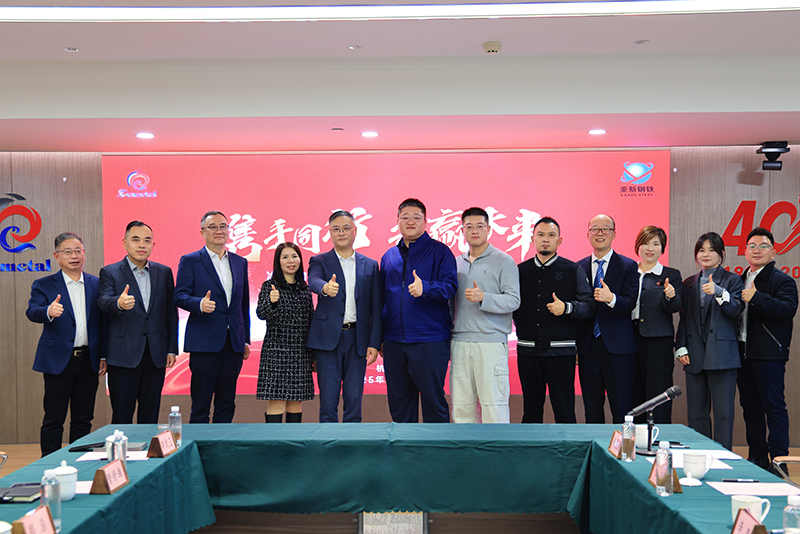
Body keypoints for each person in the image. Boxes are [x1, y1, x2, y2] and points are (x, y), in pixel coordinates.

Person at [25, 232, 106, 456]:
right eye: (68, 252)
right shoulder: (44, 284)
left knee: (83, 417)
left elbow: (104, 323)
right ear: (56, 256)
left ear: (84, 254)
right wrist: (48, 311)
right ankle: (49, 462)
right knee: (54, 417)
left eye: (78, 251)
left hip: (88, 360)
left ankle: (78, 460)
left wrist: (103, 355)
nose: (74, 256)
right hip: (58, 361)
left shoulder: (96, 283)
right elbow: (32, 311)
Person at [380, 198, 458, 423]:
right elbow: (382, 299)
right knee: (400, 405)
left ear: (426, 221)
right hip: (394, 342)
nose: (410, 221)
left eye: (416, 217)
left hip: (429, 340)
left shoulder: (440, 252)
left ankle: (438, 446)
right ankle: (404, 447)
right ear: (398, 221)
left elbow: (450, 286)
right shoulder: (389, 256)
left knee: (434, 402)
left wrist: (426, 288)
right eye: (405, 217)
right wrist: (380, 338)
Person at [515, 217, 594, 423]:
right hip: (528, 351)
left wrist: (567, 308)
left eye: (551, 235)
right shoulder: (519, 271)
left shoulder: (573, 270)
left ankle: (568, 445)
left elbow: (589, 306)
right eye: (540, 235)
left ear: (559, 240)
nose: (545, 239)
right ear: (532, 239)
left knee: (564, 411)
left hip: (561, 352)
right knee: (531, 412)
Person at [98, 221, 178, 424]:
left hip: (155, 354)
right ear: (125, 243)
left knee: (150, 415)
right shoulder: (110, 271)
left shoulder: (164, 272)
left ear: (153, 245)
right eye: (136, 240)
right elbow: (102, 301)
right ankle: (122, 446)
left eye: (147, 240)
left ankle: (147, 446)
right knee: (122, 415)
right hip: (123, 355)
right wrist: (118, 302)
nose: (142, 245)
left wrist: (171, 349)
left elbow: (170, 313)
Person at [174, 211, 250, 424]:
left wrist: (245, 338)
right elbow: (179, 296)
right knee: (201, 404)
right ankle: (199, 443)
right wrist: (199, 304)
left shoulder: (239, 262)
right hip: (204, 344)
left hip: (233, 344)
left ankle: (221, 443)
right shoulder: (190, 261)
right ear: (202, 232)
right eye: (213, 227)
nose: (219, 231)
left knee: (227, 403)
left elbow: (243, 304)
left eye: (223, 226)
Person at [306, 211, 383, 423]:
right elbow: (313, 280)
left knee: (354, 397)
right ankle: (328, 440)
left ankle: (353, 438)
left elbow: (376, 307)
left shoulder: (370, 265)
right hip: (327, 339)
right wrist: (324, 288)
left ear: (355, 231)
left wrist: (374, 343)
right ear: (330, 233)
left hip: (357, 338)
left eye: (346, 228)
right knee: (328, 400)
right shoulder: (319, 260)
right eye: (336, 229)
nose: (341, 233)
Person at [675, 231, 743, 450]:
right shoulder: (688, 283)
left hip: (722, 357)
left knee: (723, 415)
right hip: (694, 356)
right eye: (701, 250)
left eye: (711, 250)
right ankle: (699, 456)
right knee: (696, 415)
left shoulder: (733, 280)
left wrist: (719, 292)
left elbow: (736, 309)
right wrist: (680, 346)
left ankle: (722, 458)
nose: (706, 254)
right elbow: (684, 318)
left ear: (721, 253)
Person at [451, 207, 520, 423]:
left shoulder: (504, 260)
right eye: (469, 227)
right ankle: (464, 446)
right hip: (459, 342)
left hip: (490, 343)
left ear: (489, 229)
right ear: (462, 230)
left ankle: (497, 447)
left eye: (480, 226)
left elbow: (514, 300)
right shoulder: (455, 263)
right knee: (461, 407)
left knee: (494, 407)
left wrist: (484, 298)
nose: (474, 231)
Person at [737, 227, 798, 470]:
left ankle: (780, 461)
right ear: (745, 252)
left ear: (773, 252)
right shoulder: (739, 279)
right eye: (752, 246)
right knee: (750, 408)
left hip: (769, 355)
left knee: (774, 408)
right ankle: (757, 457)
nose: (757, 250)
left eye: (763, 246)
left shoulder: (782, 280)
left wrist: (757, 297)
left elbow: (787, 309)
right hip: (742, 353)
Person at [577, 214, 639, 424]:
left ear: (614, 234)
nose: (600, 233)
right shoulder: (578, 267)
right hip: (588, 347)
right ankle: (595, 444)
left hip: (619, 349)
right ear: (588, 234)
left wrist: (611, 298)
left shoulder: (628, 266)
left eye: (606, 229)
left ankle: (623, 445)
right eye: (595, 229)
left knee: (622, 407)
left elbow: (630, 302)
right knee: (591, 408)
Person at [257, 242, 315, 423]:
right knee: (277, 404)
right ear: (278, 261)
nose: (291, 261)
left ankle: (293, 441)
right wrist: (272, 302)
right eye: (285, 257)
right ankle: (274, 441)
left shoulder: (305, 289)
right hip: (276, 355)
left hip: (301, 353)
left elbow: (311, 322)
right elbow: (261, 314)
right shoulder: (270, 286)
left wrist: (313, 355)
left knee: (296, 404)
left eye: (294, 256)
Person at [630, 226, 683, 424]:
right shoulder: (628, 272)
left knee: (658, 395)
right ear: (638, 246)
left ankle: (658, 438)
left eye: (656, 244)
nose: (650, 248)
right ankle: (634, 438)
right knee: (633, 394)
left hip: (658, 343)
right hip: (629, 340)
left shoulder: (671, 274)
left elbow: (675, 307)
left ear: (662, 248)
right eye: (645, 243)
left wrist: (670, 296)